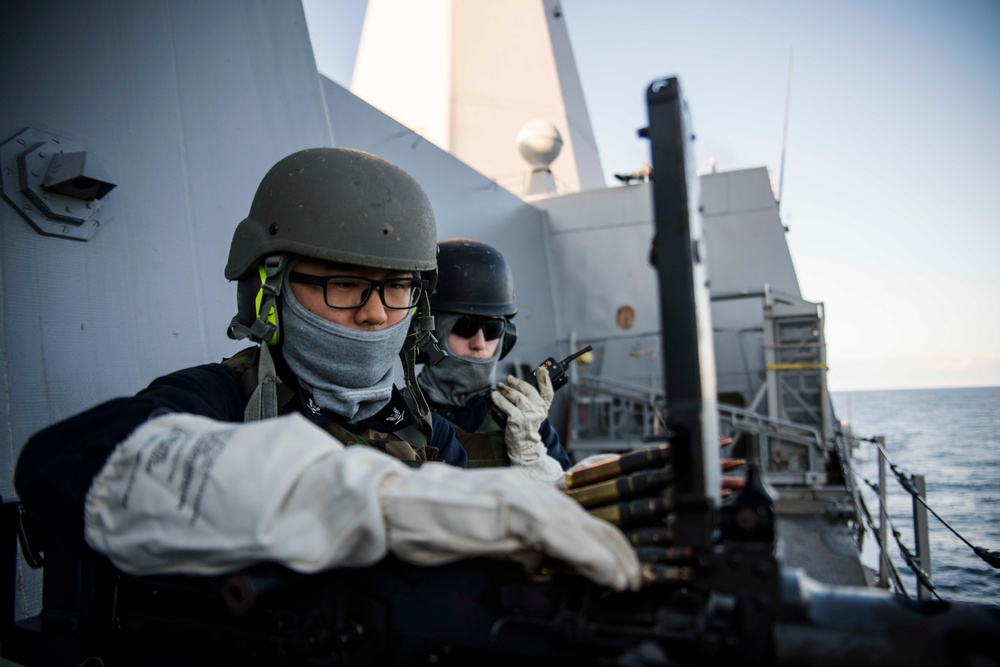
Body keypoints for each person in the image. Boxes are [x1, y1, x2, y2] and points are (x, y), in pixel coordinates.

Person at [14, 147, 640, 593]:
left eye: (396, 288)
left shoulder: (425, 432)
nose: (375, 313)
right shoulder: (220, 398)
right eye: (344, 284)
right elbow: (67, 463)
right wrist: (353, 498)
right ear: (271, 291)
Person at [416, 239, 570, 482]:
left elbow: (569, 495)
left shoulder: (524, 419)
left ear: (506, 338)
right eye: (465, 327)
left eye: (492, 329)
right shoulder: (398, 418)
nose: (479, 343)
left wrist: (531, 453)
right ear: (428, 334)